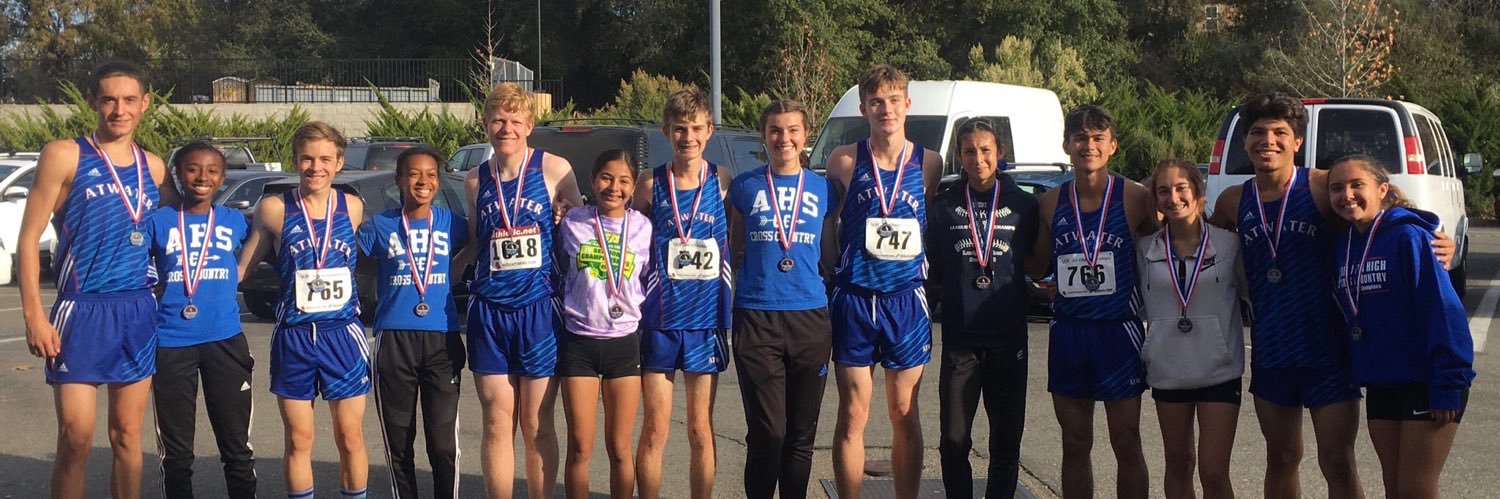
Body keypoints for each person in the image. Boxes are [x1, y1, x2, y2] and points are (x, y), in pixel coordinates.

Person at [20, 61, 175, 499]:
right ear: (92, 101)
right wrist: (33, 314)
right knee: (76, 438)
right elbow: (29, 238)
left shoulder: (155, 167)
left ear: (145, 104)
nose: (118, 109)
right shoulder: (65, 154)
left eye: (129, 100)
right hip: (81, 309)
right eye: (108, 99)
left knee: (128, 436)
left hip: (137, 309)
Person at [821, 64, 943, 499]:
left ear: (907, 105)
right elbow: (829, 226)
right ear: (863, 107)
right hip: (855, 299)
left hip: (905, 301)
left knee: (904, 412)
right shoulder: (845, 160)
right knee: (853, 414)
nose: (885, 110)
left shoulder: (929, 162)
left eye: (893, 101)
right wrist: (837, 274)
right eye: (876, 102)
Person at [1327, 155, 1475, 499]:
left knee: (1416, 489)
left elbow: (1444, 311)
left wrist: (1448, 382)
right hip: (1383, 380)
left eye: (1356, 185)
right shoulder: (1343, 244)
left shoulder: (1410, 237)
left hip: (1427, 380)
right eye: (1337, 188)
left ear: (1382, 190)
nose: (1346, 194)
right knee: (1393, 486)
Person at [1026, 105, 1154, 499]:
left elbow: (1165, 250)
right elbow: (1037, 264)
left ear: (1112, 146)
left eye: (1098, 138)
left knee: (1126, 440)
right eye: (1080, 138)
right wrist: (1042, 281)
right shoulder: (1050, 202)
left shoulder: (1136, 197)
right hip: (1069, 332)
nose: (1089, 146)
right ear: (1067, 145)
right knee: (1075, 443)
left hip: (1119, 332)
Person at [463, 82, 583, 499]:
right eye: (498, 120)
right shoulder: (475, 181)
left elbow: (581, 233)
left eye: (515, 120)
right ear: (485, 124)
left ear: (530, 124)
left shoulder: (555, 168)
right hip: (490, 311)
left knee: (536, 421)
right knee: (496, 420)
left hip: (539, 310)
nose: (506, 128)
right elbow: (478, 245)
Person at [238, 121, 369, 499]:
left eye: (325, 159)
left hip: (342, 335)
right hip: (294, 336)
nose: (316, 167)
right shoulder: (275, 209)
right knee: (299, 438)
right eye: (307, 159)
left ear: (340, 163)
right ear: (295, 160)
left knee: (349, 435)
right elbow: (243, 269)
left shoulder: (353, 207)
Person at [726, 100, 836, 499]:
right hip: (757, 315)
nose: (783, 138)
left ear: (805, 135)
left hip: (810, 316)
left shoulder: (824, 188)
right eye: (775, 130)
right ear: (763, 136)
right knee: (768, 431)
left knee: (800, 435)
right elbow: (736, 247)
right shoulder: (745, 186)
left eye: (792, 130)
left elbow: (830, 249)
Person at [927, 118, 1039, 499]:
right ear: (958, 156)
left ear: (1000, 153)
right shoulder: (943, 207)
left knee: (1005, 444)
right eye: (970, 151)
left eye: (986, 150)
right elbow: (934, 270)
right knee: (954, 440)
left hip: (1008, 340)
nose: (978, 159)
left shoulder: (1024, 205)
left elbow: (1036, 263)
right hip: (961, 341)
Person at [632, 86, 734, 499]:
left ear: (709, 130)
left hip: (706, 322)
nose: (687, 137)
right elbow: (628, 237)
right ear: (665, 131)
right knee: (656, 428)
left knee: (699, 428)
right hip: (659, 320)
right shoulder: (649, 184)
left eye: (695, 128)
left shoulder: (723, 181)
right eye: (679, 129)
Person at [357, 146, 469, 499]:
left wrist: (455, 270)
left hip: (441, 339)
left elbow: (480, 244)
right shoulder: (380, 225)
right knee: (398, 442)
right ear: (399, 181)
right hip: (394, 339)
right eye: (415, 174)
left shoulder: (453, 223)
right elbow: (353, 259)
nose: (423, 181)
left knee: (442, 444)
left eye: (432, 174)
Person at [148, 141, 255, 498]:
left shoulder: (234, 221)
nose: (201, 177)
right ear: (178, 174)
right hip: (171, 343)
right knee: (177, 453)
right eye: (192, 169)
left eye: (211, 170)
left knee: (237, 449)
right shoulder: (158, 222)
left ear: (223, 178)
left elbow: (265, 243)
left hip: (225, 340)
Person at [1137, 159, 1244, 499]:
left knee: (1213, 471)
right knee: (1178, 463)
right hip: (1169, 369)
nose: (1173, 197)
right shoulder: (1145, 249)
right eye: (1163, 190)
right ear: (1155, 199)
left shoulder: (1229, 245)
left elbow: (1254, 293)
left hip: (1219, 370)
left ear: (1198, 193)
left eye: (1181, 188)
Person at [557, 150, 652, 499]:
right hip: (579, 342)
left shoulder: (643, 226)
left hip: (624, 344)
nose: (614, 187)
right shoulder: (572, 222)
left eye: (624, 181)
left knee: (620, 449)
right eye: (606, 178)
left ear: (633, 186)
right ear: (593, 179)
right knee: (580, 447)